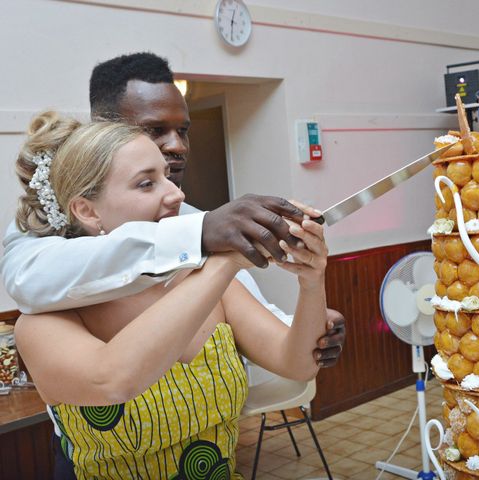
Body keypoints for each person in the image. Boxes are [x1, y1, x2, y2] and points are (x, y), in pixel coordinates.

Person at [14, 111, 329, 479]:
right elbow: (115, 379)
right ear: (87, 210)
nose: (176, 194)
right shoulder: (44, 321)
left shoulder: (205, 283)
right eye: (146, 184)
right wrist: (223, 264)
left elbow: (298, 364)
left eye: (166, 176)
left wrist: (311, 281)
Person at [1, 52, 345, 368]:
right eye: (154, 130)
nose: (177, 145)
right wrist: (201, 234)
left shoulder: (192, 224)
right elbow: (29, 280)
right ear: (106, 128)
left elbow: (256, 317)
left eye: (183, 131)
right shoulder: (46, 227)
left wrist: (308, 319)